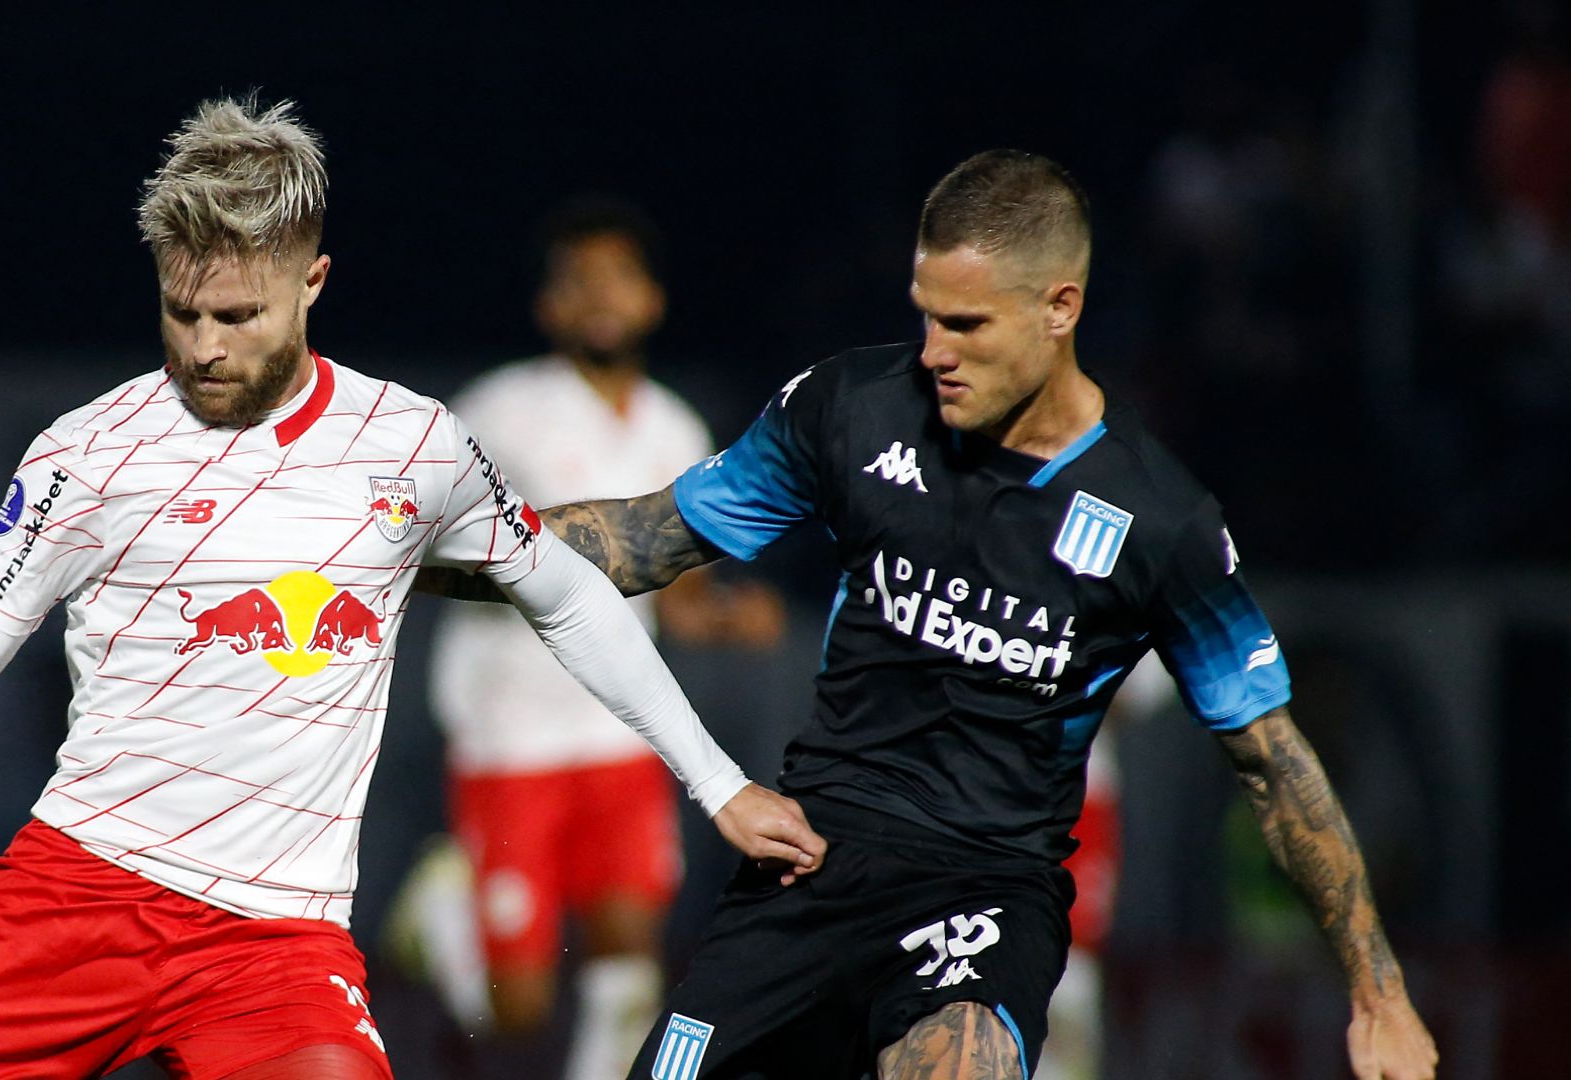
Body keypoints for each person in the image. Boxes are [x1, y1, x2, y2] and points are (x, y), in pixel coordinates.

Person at [0, 95, 825, 1080]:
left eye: (238, 316)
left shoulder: (413, 449)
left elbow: (571, 595)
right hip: (75, 898)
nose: (206, 349)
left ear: (312, 282)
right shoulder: (84, 454)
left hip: (273, 943)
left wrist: (716, 780)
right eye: (183, 314)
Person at [422, 150, 1437, 1080]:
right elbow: (638, 541)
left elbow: (1273, 758)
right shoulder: (849, 409)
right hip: (810, 862)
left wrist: (1378, 989)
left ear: (1059, 309)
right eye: (925, 315)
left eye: (967, 325)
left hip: (986, 889)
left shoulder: (1158, 521)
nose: (935, 351)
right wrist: (401, 558)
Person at [413, 198, 785, 1080]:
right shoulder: (498, 412)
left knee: (628, 958)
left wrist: (731, 616)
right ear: (549, 307)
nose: (600, 298)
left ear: (653, 299)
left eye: (618, 277)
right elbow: (423, 537)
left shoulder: (675, 428)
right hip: (511, 736)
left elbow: (680, 593)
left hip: (620, 734)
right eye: (578, 282)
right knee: (519, 1010)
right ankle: (442, 911)